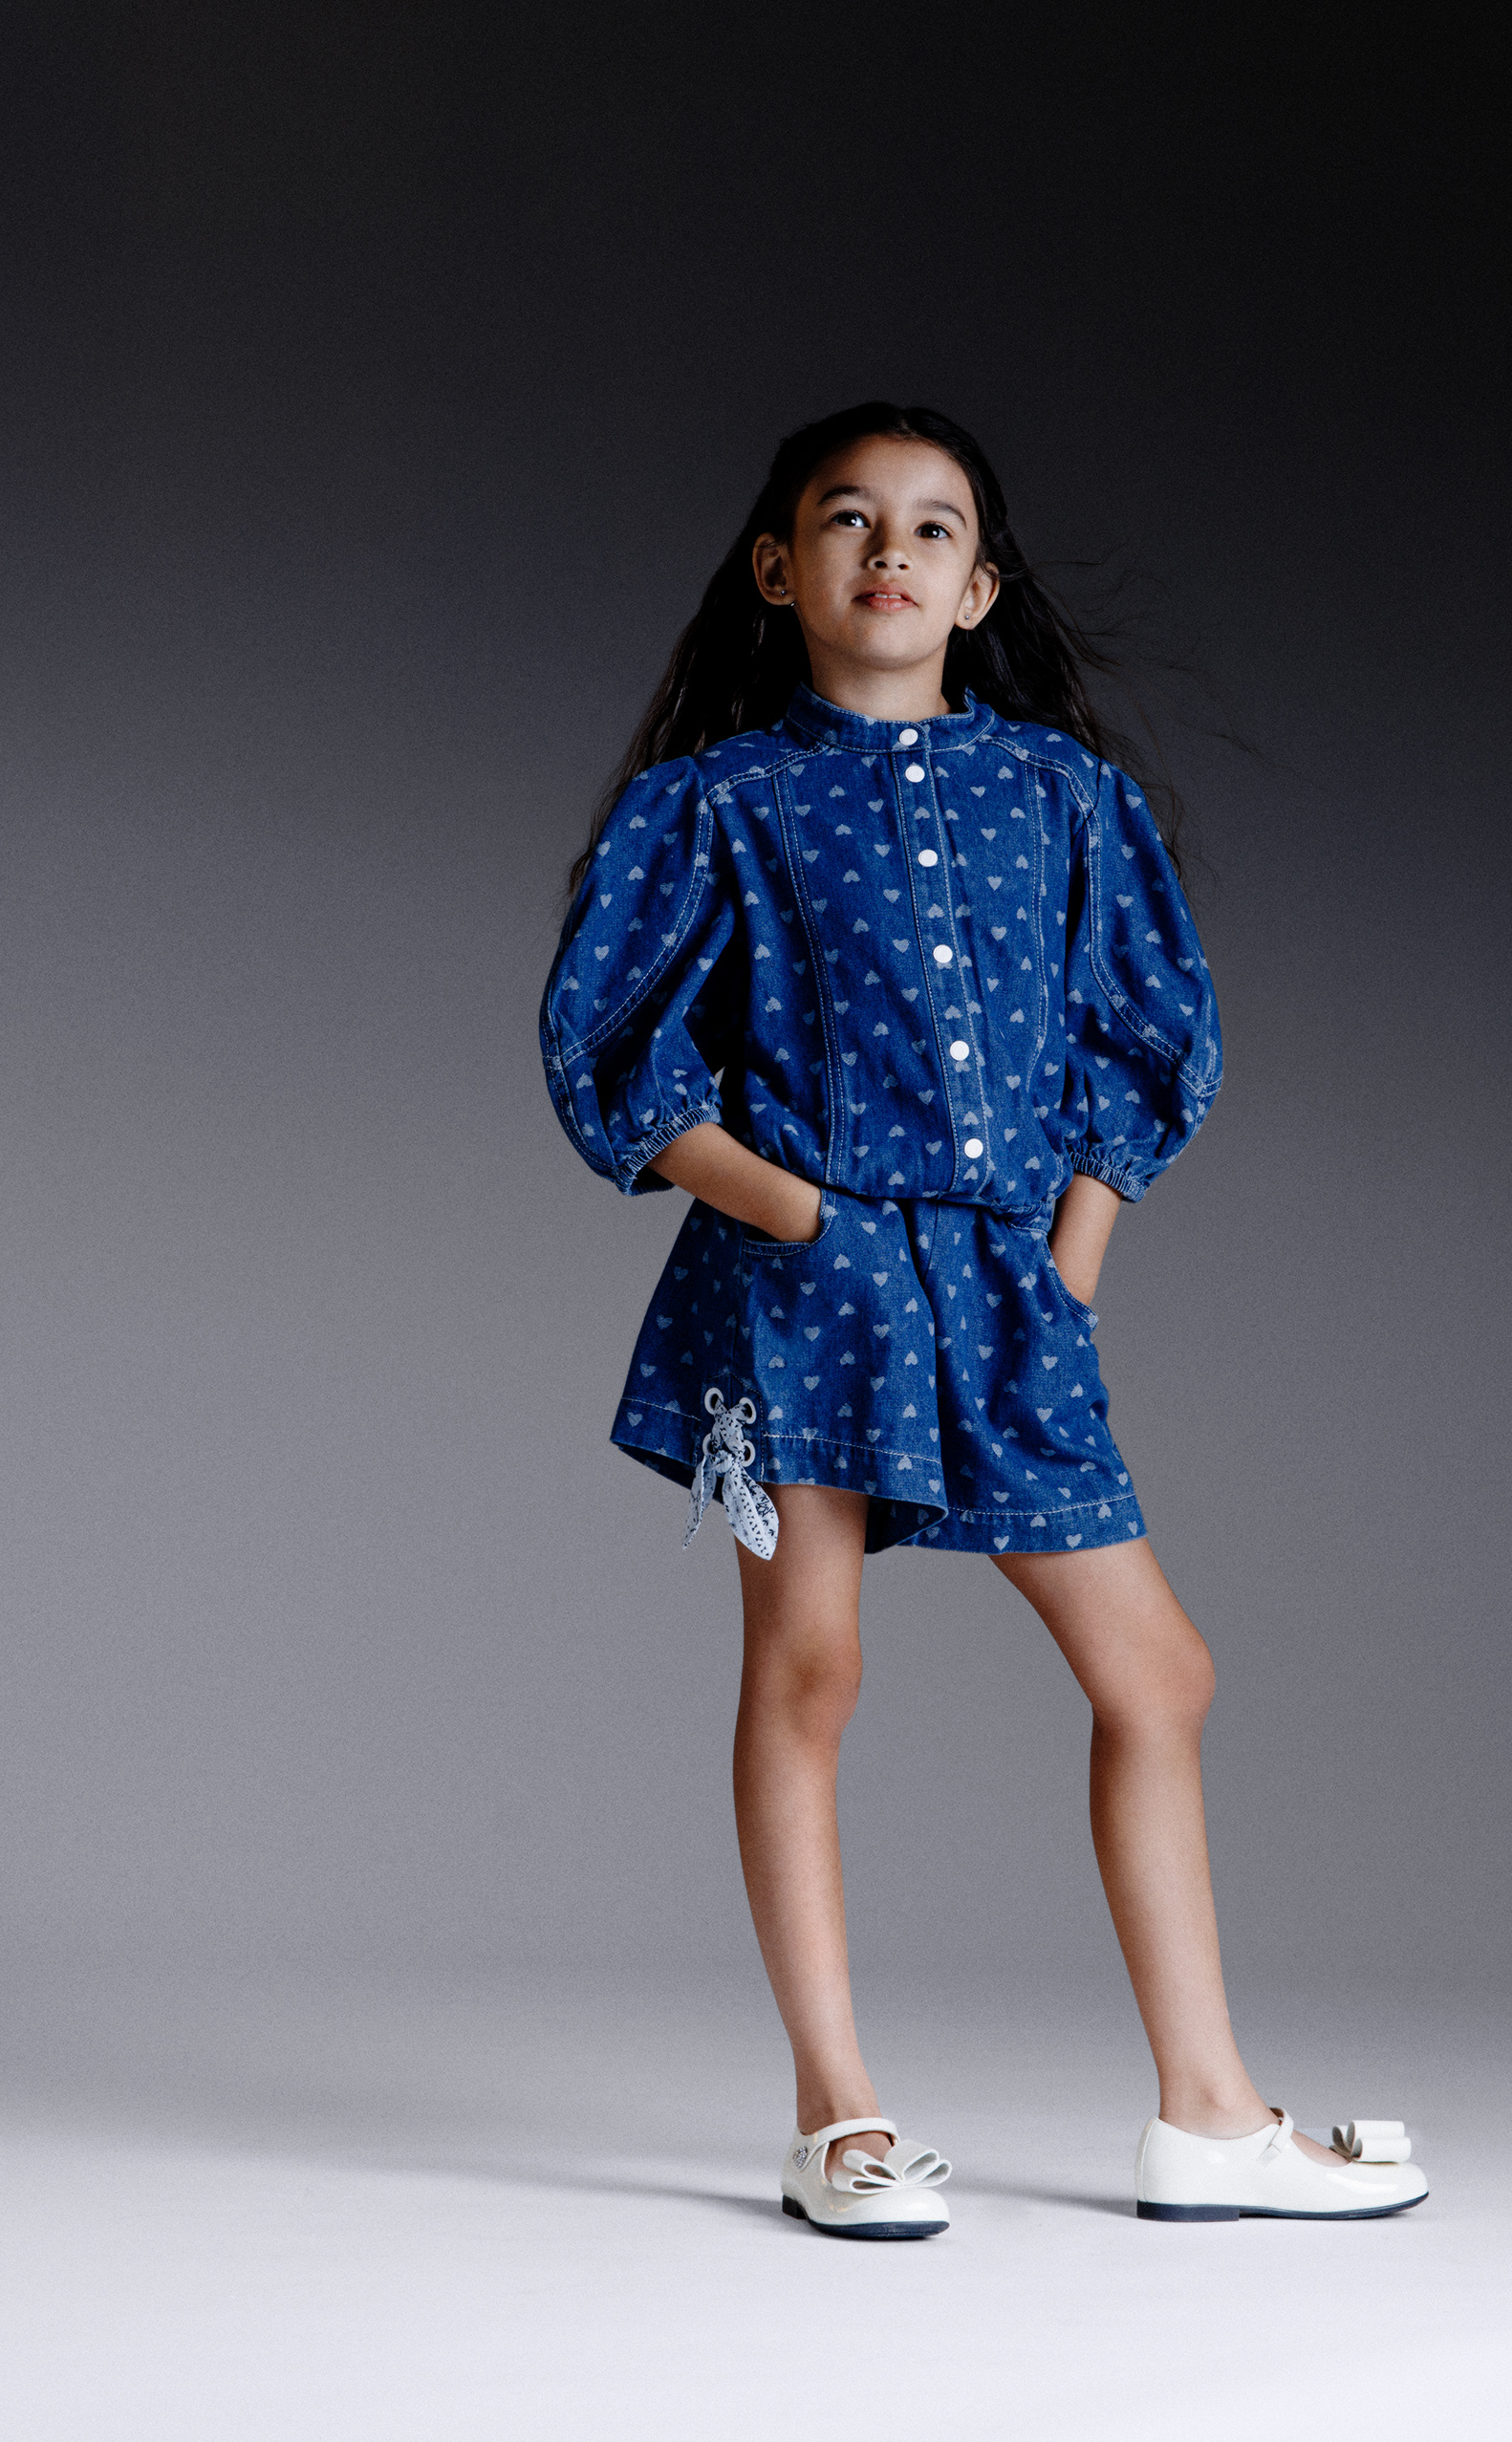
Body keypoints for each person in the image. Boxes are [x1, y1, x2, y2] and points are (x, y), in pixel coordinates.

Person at [539, 402, 1426, 2237]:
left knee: (1157, 1672)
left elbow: (1146, 1039)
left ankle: (1210, 2114)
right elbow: (615, 1055)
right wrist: (806, 1217)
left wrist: (1069, 1263)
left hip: (1010, 1290)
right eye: (846, 519)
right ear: (777, 570)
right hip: (797, 1289)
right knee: (811, 1668)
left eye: (932, 527)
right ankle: (838, 2114)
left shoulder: (1063, 798)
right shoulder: (718, 803)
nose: (890, 549)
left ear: (980, 587)